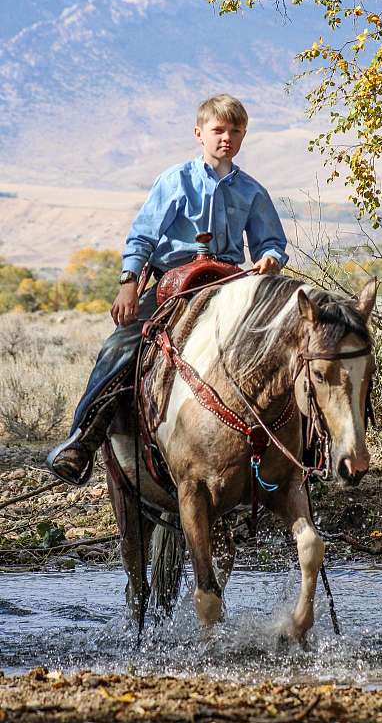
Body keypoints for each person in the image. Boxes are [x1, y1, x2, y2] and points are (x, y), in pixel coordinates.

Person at [47, 94, 288, 486]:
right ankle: (82, 441)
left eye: (235, 131)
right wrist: (129, 283)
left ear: (244, 135)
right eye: (218, 130)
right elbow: (142, 235)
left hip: (229, 281)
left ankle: (299, 454)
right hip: (173, 284)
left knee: (284, 340)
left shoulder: (252, 191)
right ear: (199, 133)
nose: (226, 137)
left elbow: (270, 242)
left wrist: (270, 258)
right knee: (121, 344)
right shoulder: (175, 180)